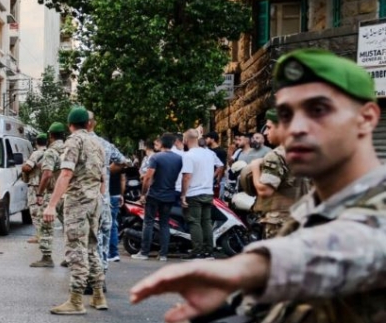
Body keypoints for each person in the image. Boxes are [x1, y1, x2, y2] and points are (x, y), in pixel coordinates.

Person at [130, 48, 386, 323]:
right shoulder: (310, 210)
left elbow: (361, 245)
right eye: (286, 115)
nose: (296, 127)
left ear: (366, 118)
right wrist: (232, 299)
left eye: (318, 110)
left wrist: (249, 266)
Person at [42, 107, 106, 314]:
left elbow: (66, 173)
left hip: (78, 202)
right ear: (89, 124)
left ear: (70, 125)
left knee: (76, 250)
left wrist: (52, 204)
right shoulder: (98, 143)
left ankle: (76, 301)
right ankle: (98, 295)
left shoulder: (74, 141)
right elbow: (103, 178)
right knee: (91, 248)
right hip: (95, 200)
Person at [246, 109, 310, 239]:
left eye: (269, 127)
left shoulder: (275, 155)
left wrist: (255, 168)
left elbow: (265, 191)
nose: (265, 132)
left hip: (281, 225)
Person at [86, 111, 126, 280]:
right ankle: (100, 278)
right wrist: (108, 171)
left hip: (85, 201)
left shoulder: (75, 144)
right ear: (92, 123)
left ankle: (90, 279)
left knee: (87, 242)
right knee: (102, 239)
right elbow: (124, 161)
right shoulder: (105, 144)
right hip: (104, 200)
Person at [131, 133, 182, 262]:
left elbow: (148, 177)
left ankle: (144, 252)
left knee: (148, 222)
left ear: (162, 143)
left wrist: (143, 193)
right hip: (170, 194)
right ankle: (163, 254)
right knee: (165, 224)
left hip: (155, 194)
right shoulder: (178, 158)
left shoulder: (155, 157)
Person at [180, 129, 224, 259]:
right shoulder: (209, 153)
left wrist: (183, 195)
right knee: (207, 221)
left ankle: (197, 250)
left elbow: (187, 176)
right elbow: (220, 166)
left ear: (186, 140)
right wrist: (211, 177)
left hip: (194, 192)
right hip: (208, 191)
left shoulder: (188, 155)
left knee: (195, 222)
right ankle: (209, 250)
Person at [30, 124, 66, 268]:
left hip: (53, 193)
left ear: (50, 135)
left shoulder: (51, 152)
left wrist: (39, 193)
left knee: (46, 225)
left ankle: (46, 257)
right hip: (69, 193)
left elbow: (47, 174)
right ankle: (70, 257)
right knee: (69, 226)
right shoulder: (70, 148)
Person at [22, 133, 48, 244]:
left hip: (35, 185)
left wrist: (23, 167)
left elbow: (28, 167)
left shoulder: (36, 153)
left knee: (34, 211)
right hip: (46, 184)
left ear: (36, 142)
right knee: (43, 210)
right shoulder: (50, 152)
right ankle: (45, 234)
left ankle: (39, 235)